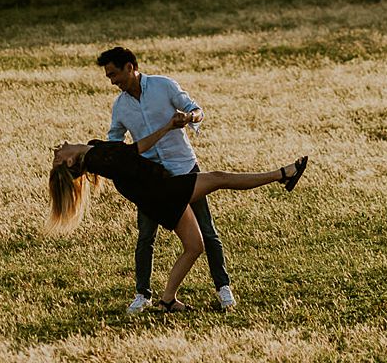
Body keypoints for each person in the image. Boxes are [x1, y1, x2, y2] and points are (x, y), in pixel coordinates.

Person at [48, 113, 309, 312]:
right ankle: (283, 174)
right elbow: (135, 149)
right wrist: (168, 127)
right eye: (57, 157)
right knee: (219, 178)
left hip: (158, 193)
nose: (57, 149)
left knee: (194, 246)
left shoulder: (95, 150)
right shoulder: (97, 159)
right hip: (162, 191)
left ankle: (168, 300)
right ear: (70, 163)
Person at [97, 46, 232, 313]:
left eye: (114, 74)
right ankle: (142, 293)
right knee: (146, 235)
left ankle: (223, 287)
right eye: (108, 77)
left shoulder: (163, 86)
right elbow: (115, 141)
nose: (112, 81)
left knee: (207, 231)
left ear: (130, 67)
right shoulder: (120, 106)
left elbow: (196, 110)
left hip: (184, 168)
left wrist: (189, 117)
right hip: (150, 180)